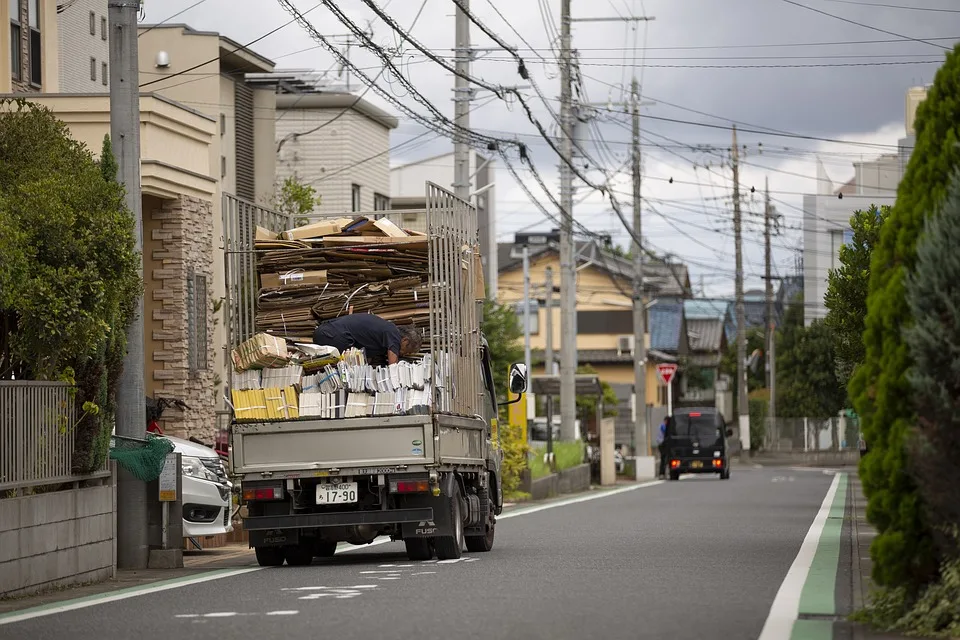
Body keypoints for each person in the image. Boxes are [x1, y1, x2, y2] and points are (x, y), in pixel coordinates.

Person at [313, 314, 422, 365]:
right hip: (331, 334)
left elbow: (365, 359)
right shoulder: (392, 332)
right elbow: (393, 366)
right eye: (406, 351)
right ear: (405, 341)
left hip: (326, 333)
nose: (402, 354)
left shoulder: (381, 340)